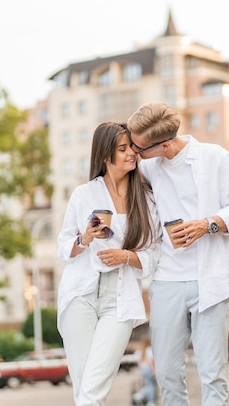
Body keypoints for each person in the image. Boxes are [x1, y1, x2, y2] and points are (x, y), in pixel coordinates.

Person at [127, 102, 229, 406]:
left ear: (165, 144)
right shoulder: (146, 167)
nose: (133, 152)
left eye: (139, 148)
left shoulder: (215, 158)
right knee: (167, 374)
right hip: (167, 281)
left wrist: (205, 225)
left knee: (212, 374)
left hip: (210, 280)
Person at [57, 122, 161, 406]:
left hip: (121, 299)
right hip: (80, 293)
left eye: (132, 148)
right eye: (123, 149)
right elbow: (63, 247)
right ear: (106, 155)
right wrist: (85, 238)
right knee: (84, 388)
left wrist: (126, 256)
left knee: (94, 387)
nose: (132, 154)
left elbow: (154, 255)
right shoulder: (84, 194)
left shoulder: (146, 198)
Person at [131, 334, 156, 406]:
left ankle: (148, 399)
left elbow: (137, 361)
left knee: (148, 383)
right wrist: (153, 370)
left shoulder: (140, 350)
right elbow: (151, 361)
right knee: (151, 384)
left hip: (143, 368)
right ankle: (148, 399)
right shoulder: (149, 349)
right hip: (148, 368)